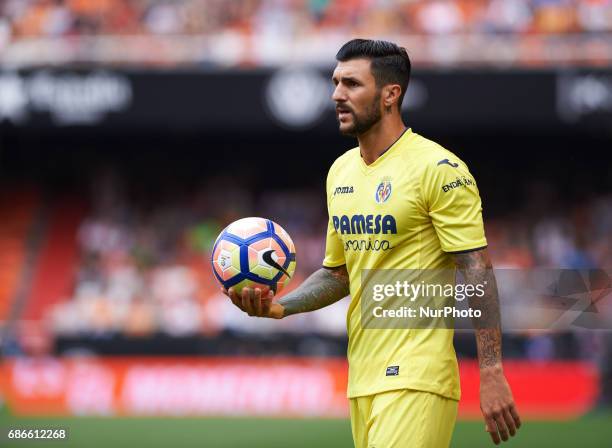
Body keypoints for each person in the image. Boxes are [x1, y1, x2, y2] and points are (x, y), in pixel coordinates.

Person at [224, 38, 521, 447]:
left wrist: (490, 370)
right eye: (335, 83)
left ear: (390, 95)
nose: (336, 95)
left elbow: (478, 270)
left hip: (417, 376)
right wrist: (280, 307)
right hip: (362, 378)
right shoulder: (340, 172)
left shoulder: (438, 168)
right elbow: (338, 273)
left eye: (351, 84)